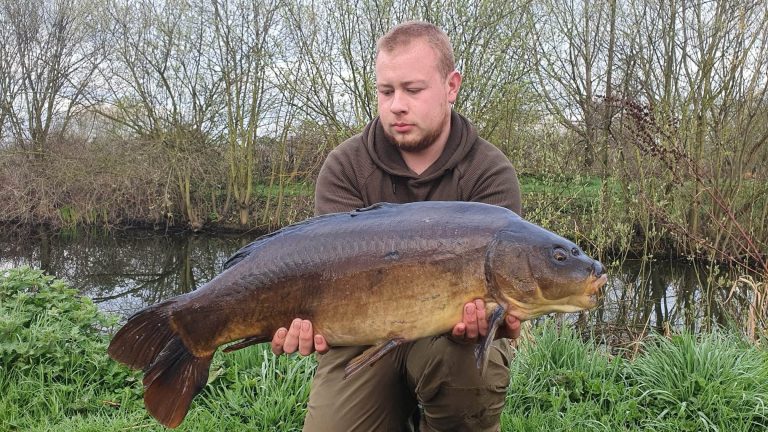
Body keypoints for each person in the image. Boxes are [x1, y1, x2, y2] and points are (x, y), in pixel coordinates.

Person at [271, 21, 523, 431]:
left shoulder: (489, 172)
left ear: (451, 86)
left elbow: (507, 308)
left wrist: (503, 316)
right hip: (362, 338)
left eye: (413, 89)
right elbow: (321, 276)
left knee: (462, 367)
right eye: (386, 91)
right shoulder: (345, 167)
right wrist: (300, 318)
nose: (396, 105)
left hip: (455, 343)